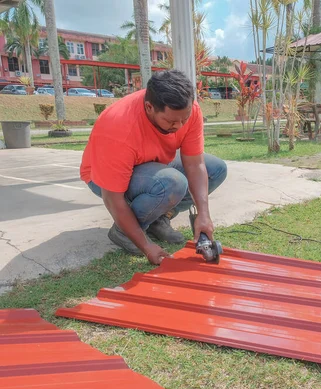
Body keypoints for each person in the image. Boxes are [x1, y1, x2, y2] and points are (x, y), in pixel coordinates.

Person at [80, 70, 227, 264]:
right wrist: (146, 247)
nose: (180, 125)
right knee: (172, 183)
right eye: (171, 121)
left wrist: (203, 215)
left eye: (184, 119)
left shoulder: (186, 111)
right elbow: (112, 197)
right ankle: (124, 232)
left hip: (151, 163)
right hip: (102, 178)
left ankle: (158, 219)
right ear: (149, 107)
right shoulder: (118, 126)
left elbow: (195, 164)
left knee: (215, 169)